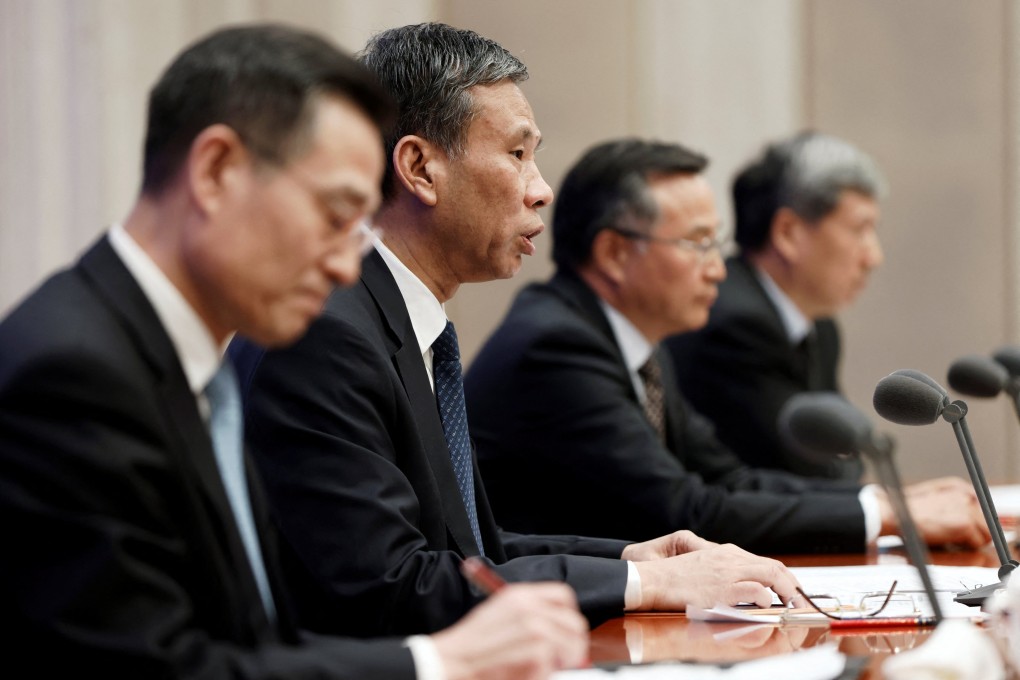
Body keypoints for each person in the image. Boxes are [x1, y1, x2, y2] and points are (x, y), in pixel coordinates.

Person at [0, 24, 593, 679]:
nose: (348, 266)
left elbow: (254, 640)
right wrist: (436, 662)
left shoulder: (166, 361)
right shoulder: (75, 374)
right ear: (217, 172)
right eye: (336, 215)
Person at [231, 23, 804, 641]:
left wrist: (631, 560)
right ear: (420, 168)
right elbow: (389, 586)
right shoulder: (326, 333)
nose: (542, 189)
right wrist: (650, 588)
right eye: (516, 154)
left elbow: (474, 550)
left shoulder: (387, 316)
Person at [463, 137, 989, 554]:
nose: (718, 269)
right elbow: (686, 510)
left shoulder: (635, 339)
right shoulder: (555, 348)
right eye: (697, 244)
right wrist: (888, 513)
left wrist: (880, 499)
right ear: (616, 253)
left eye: (717, 243)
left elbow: (726, 477)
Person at [665, 132, 883, 481]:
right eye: (860, 230)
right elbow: (811, 469)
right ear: (788, 233)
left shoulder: (820, 328)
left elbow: (847, 452)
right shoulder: (734, 324)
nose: (874, 256)